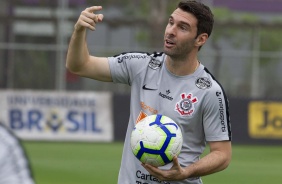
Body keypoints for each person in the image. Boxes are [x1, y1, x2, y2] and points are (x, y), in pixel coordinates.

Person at [66, 0, 232, 183]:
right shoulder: (141, 66)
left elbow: (222, 154)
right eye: (170, 22)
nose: (171, 31)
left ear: (200, 39)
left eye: (182, 27)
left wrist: (185, 172)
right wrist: (79, 30)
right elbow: (79, 65)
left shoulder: (209, 91)